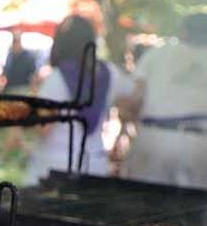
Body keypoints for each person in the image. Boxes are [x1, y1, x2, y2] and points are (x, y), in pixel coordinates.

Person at [125, 13, 207, 189]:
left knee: (144, 206)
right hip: (201, 143)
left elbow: (136, 98)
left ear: (184, 30)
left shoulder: (156, 55)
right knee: (190, 210)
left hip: (154, 136)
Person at [24, 16, 134, 185]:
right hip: (95, 165)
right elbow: (132, 100)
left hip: (54, 168)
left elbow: (44, 127)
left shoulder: (56, 78)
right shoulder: (111, 73)